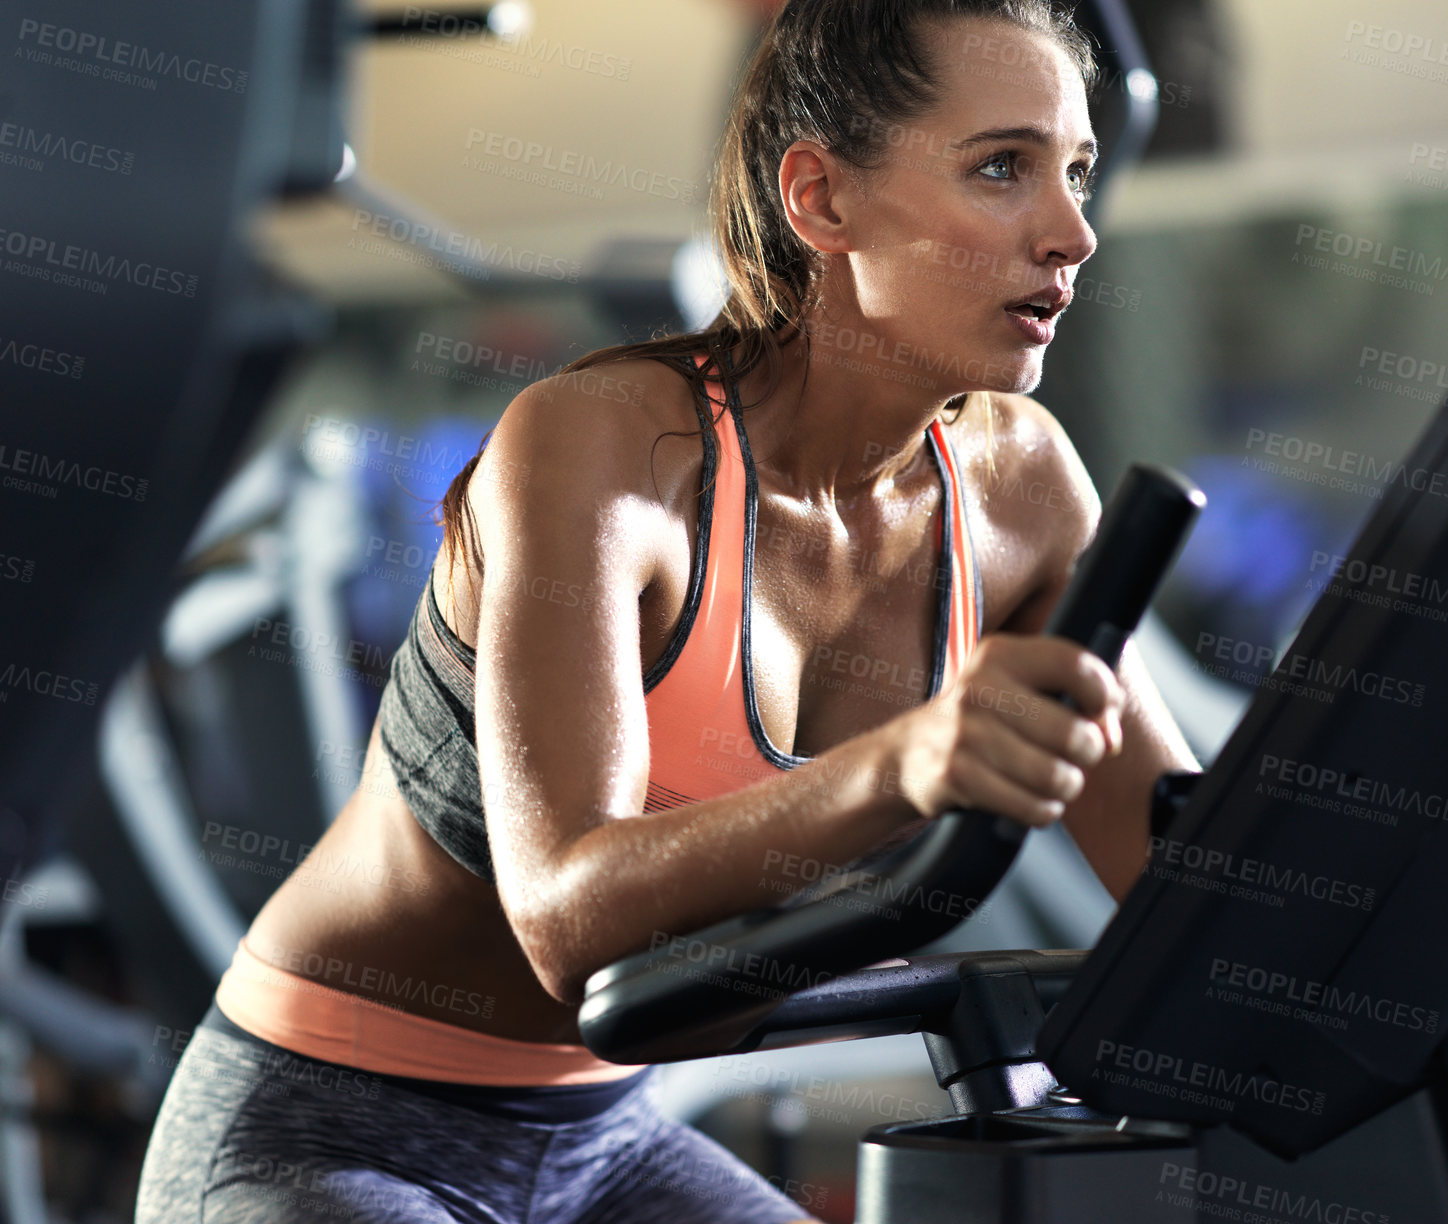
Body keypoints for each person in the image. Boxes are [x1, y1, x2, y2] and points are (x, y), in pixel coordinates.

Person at [135, 0, 1201, 1219]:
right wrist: (911, 763)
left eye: (1076, 172)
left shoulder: (1022, 490)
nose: (1071, 232)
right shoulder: (604, 450)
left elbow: (1179, 892)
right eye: (1002, 168)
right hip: (334, 1125)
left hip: (605, 1134)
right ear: (823, 202)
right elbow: (568, 922)